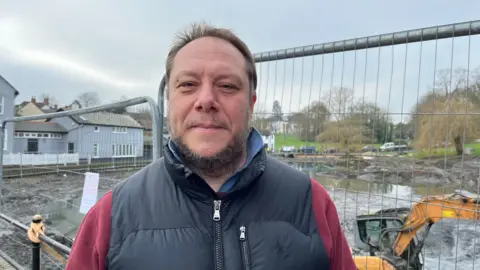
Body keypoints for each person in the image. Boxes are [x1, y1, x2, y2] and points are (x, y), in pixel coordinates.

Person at [65, 22, 357, 270]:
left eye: (227, 86)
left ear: (251, 105)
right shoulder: (111, 215)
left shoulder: (312, 204)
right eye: (188, 85)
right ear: (169, 102)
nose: (206, 99)